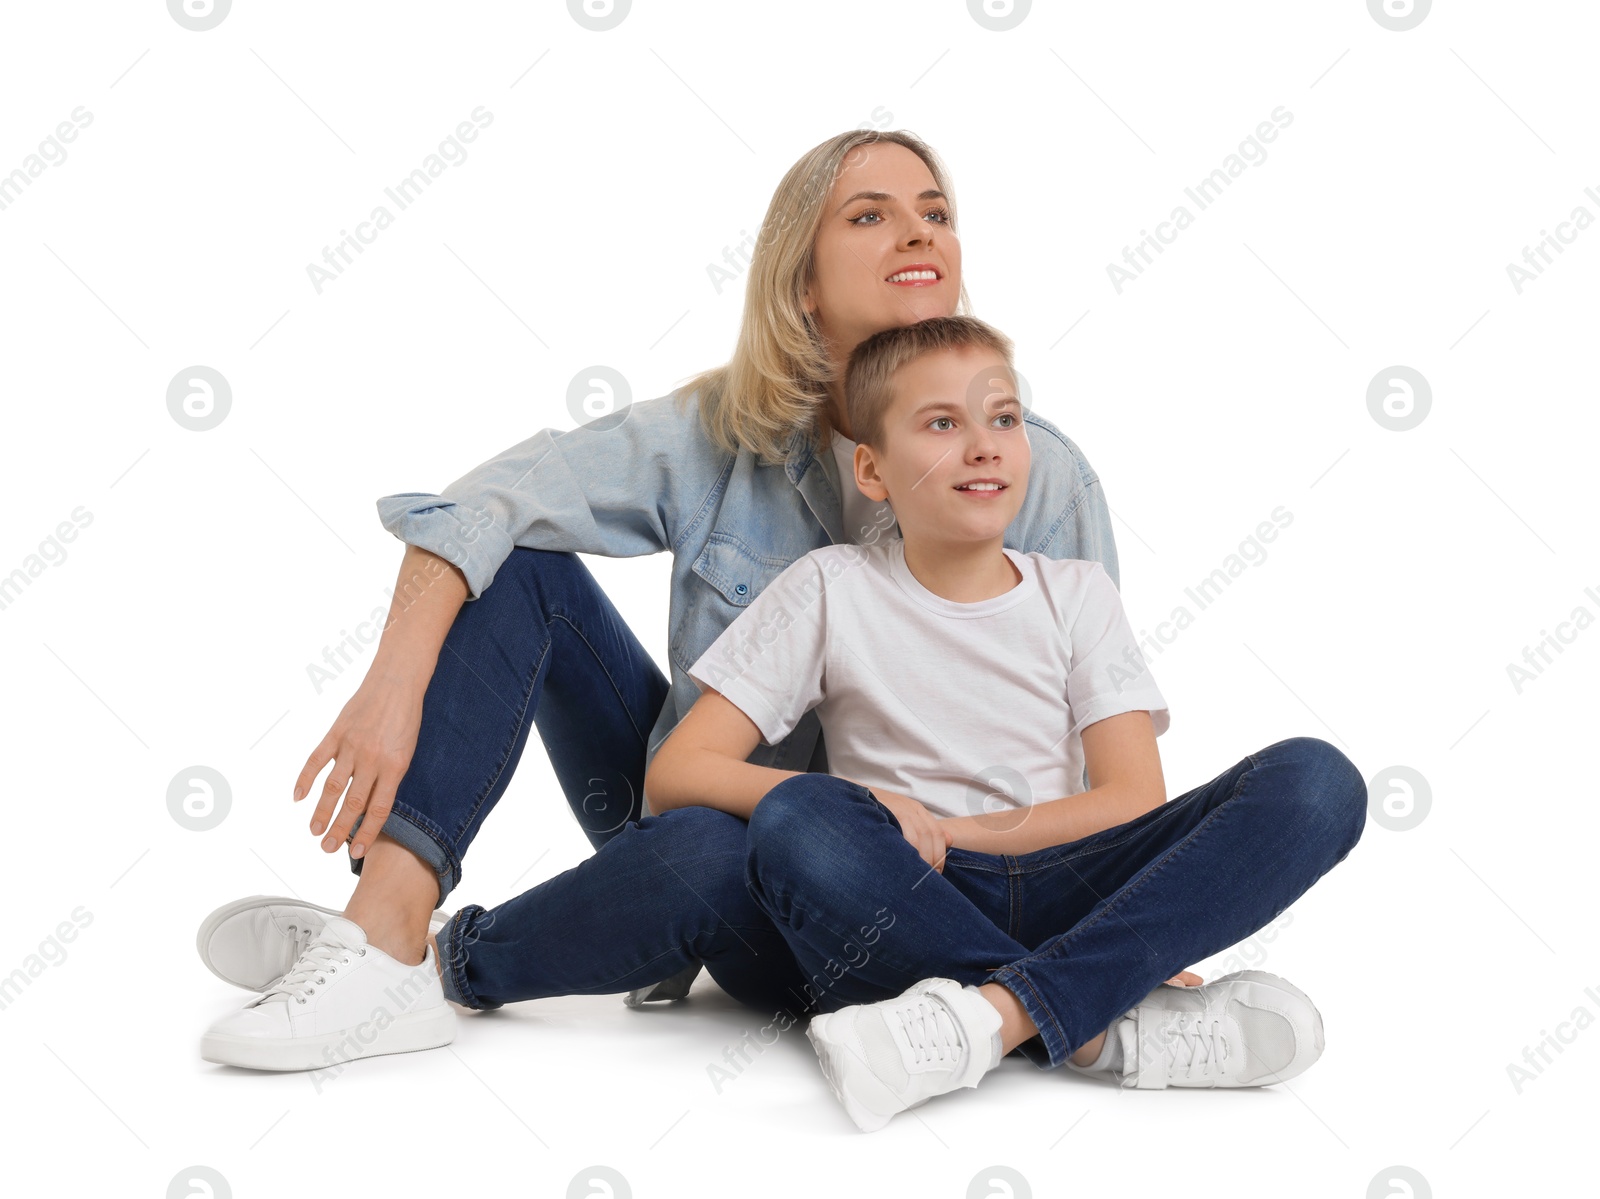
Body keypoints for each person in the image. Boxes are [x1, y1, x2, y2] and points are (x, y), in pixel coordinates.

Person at [194, 128, 1200, 1073]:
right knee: (527, 571)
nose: (916, 232)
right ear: (802, 283)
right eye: (870, 214)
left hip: (910, 886)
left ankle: (439, 956)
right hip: (707, 811)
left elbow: (1093, 742)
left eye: (935, 212)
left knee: (713, 853)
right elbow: (477, 507)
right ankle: (382, 929)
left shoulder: (1034, 474)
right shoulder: (718, 429)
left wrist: (1109, 941)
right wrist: (390, 686)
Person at [642, 313, 1367, 1131]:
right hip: (909, 892)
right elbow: (676, 772)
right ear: (873, 471)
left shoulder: (1077, 592)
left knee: (1318, 780)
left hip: (1070, 881)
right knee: (797, 818)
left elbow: (1130, 799)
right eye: (944, 423)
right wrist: (882, 820)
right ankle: (1105, 1021)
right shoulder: (828, 586)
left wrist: (951, 830)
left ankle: (987, 1019)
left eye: (1005, 418)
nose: (985, 444)